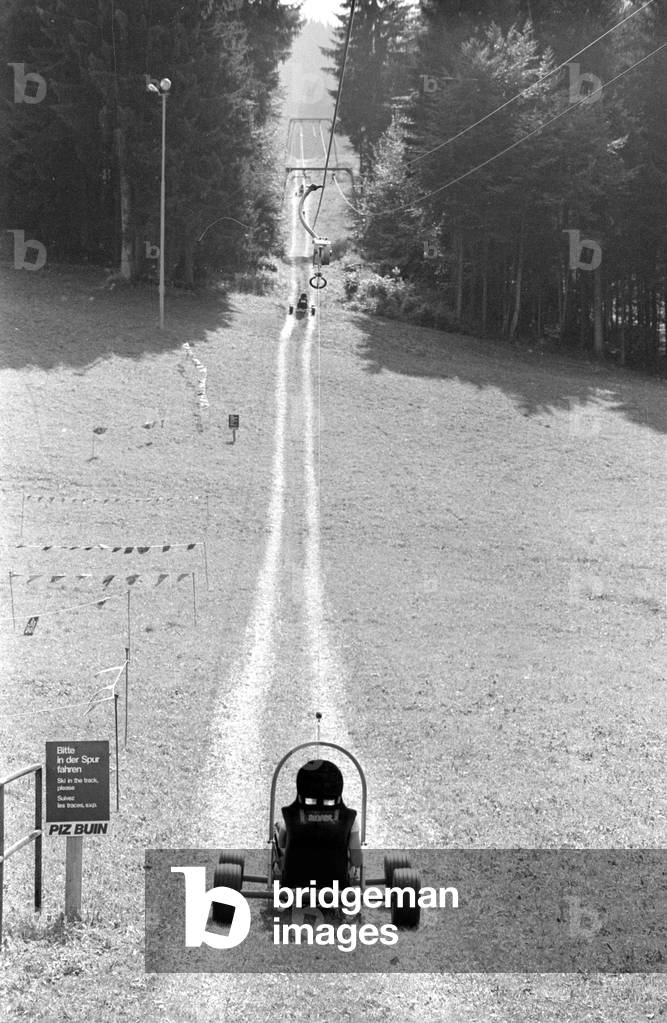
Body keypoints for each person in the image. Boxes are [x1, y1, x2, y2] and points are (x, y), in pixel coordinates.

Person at [277, 759, 362, 888]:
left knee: (278, 849)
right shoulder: (350, 820)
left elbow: (282, 844)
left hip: (294, 885)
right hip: (336, 887)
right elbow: (357, 860)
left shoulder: (289, 817)